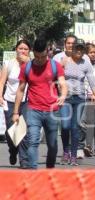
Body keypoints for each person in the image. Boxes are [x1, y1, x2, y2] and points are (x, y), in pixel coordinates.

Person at [12, 38, 68, 169]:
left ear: (47, 52)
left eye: (42, 56)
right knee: (32, 142)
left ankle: (49, 170)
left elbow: (63, 84)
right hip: (33, 110)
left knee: (53, 145)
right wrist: (15, 112)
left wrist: (63, 95)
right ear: (33, 53)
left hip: (52, 111)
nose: (39, 59)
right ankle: (33, 173)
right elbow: (20, 90)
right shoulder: (27, 67)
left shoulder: (55, 66)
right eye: (36, 56)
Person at [59, 42, 95, 166]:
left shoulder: (86, 63)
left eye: (81, 50)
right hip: (65, 98)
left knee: (75, 127)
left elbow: (92, 82)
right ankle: (65, 152)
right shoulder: (65, 61)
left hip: (79, 99)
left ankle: (73, 156)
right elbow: (56, 77)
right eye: (77, 50)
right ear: (72, 50)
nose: (79, 52)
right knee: (65, 126)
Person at [0, 40, 31, 168]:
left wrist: (28, 63)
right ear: (16, 49)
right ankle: (13, 150)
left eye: (25, 49)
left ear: (29, 51)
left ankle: (23, 160)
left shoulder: (32, 64)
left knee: (23, 130)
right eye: (20, 48)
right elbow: (2, 82)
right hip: (10, 101)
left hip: (26, 101)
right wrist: (0, 95)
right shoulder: (9, 64)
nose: (22, 51)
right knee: (10, 131)